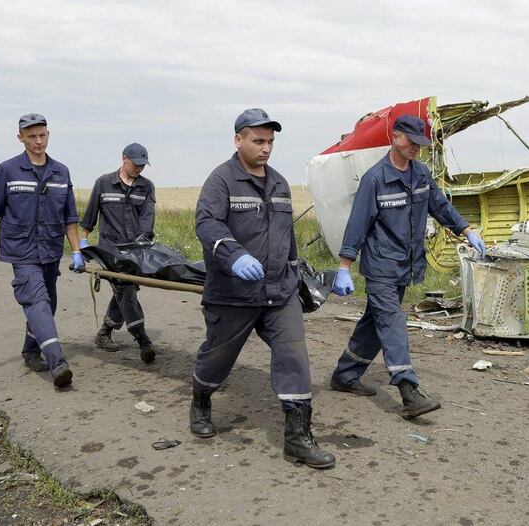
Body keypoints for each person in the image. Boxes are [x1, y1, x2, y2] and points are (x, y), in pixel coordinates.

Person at [190, 108, 335, 469]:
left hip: (278, 293)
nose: (266, 148)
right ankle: (201, 399)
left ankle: (298, 438)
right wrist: (233, 255)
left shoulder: (280, 183)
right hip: (233, 293)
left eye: (270, 141)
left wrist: (301, 277)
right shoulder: (221, 180)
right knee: (216, 358)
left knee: (294, 355)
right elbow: (207, 223)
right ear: (238, 140)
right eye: (258, 141)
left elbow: (287, 240)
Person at [329, 114, 487, 419]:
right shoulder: (375, 179)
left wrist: (467, 230)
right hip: (381, 268)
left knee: (375, 324)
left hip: (405, 266)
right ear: (395, 136)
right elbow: (358, 224)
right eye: (412, 142)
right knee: (393, 324)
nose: (417, 148)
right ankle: (408, 391)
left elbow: (439, 205)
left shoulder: (420, 174)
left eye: (421, 143)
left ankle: (345, 375)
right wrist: (345, 266)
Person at [0, 113, 84, 388]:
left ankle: (31, 351)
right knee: (38, 302)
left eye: (42, 135)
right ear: (20, 138)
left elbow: (70, 217)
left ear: (48, 135)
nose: (38, 141)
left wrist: (77, 250)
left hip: (51, 250)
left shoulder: (61, 172)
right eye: (31, 136)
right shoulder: (8, 170)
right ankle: (58, 363)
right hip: (22, 251)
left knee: (47, 305)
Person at [79, 143, 157, 363]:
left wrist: (142, 243)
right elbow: (89, 216)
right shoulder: (103, 183)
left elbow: (147, 220)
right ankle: (142, 339)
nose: (139, 169)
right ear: (124, 158)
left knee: (124, 289)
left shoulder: (147, 187)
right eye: (136, 164)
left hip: (134, 251)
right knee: (124, 289)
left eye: (143, 165)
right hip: (109, 251)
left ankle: (104, 332)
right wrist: (82, 245)